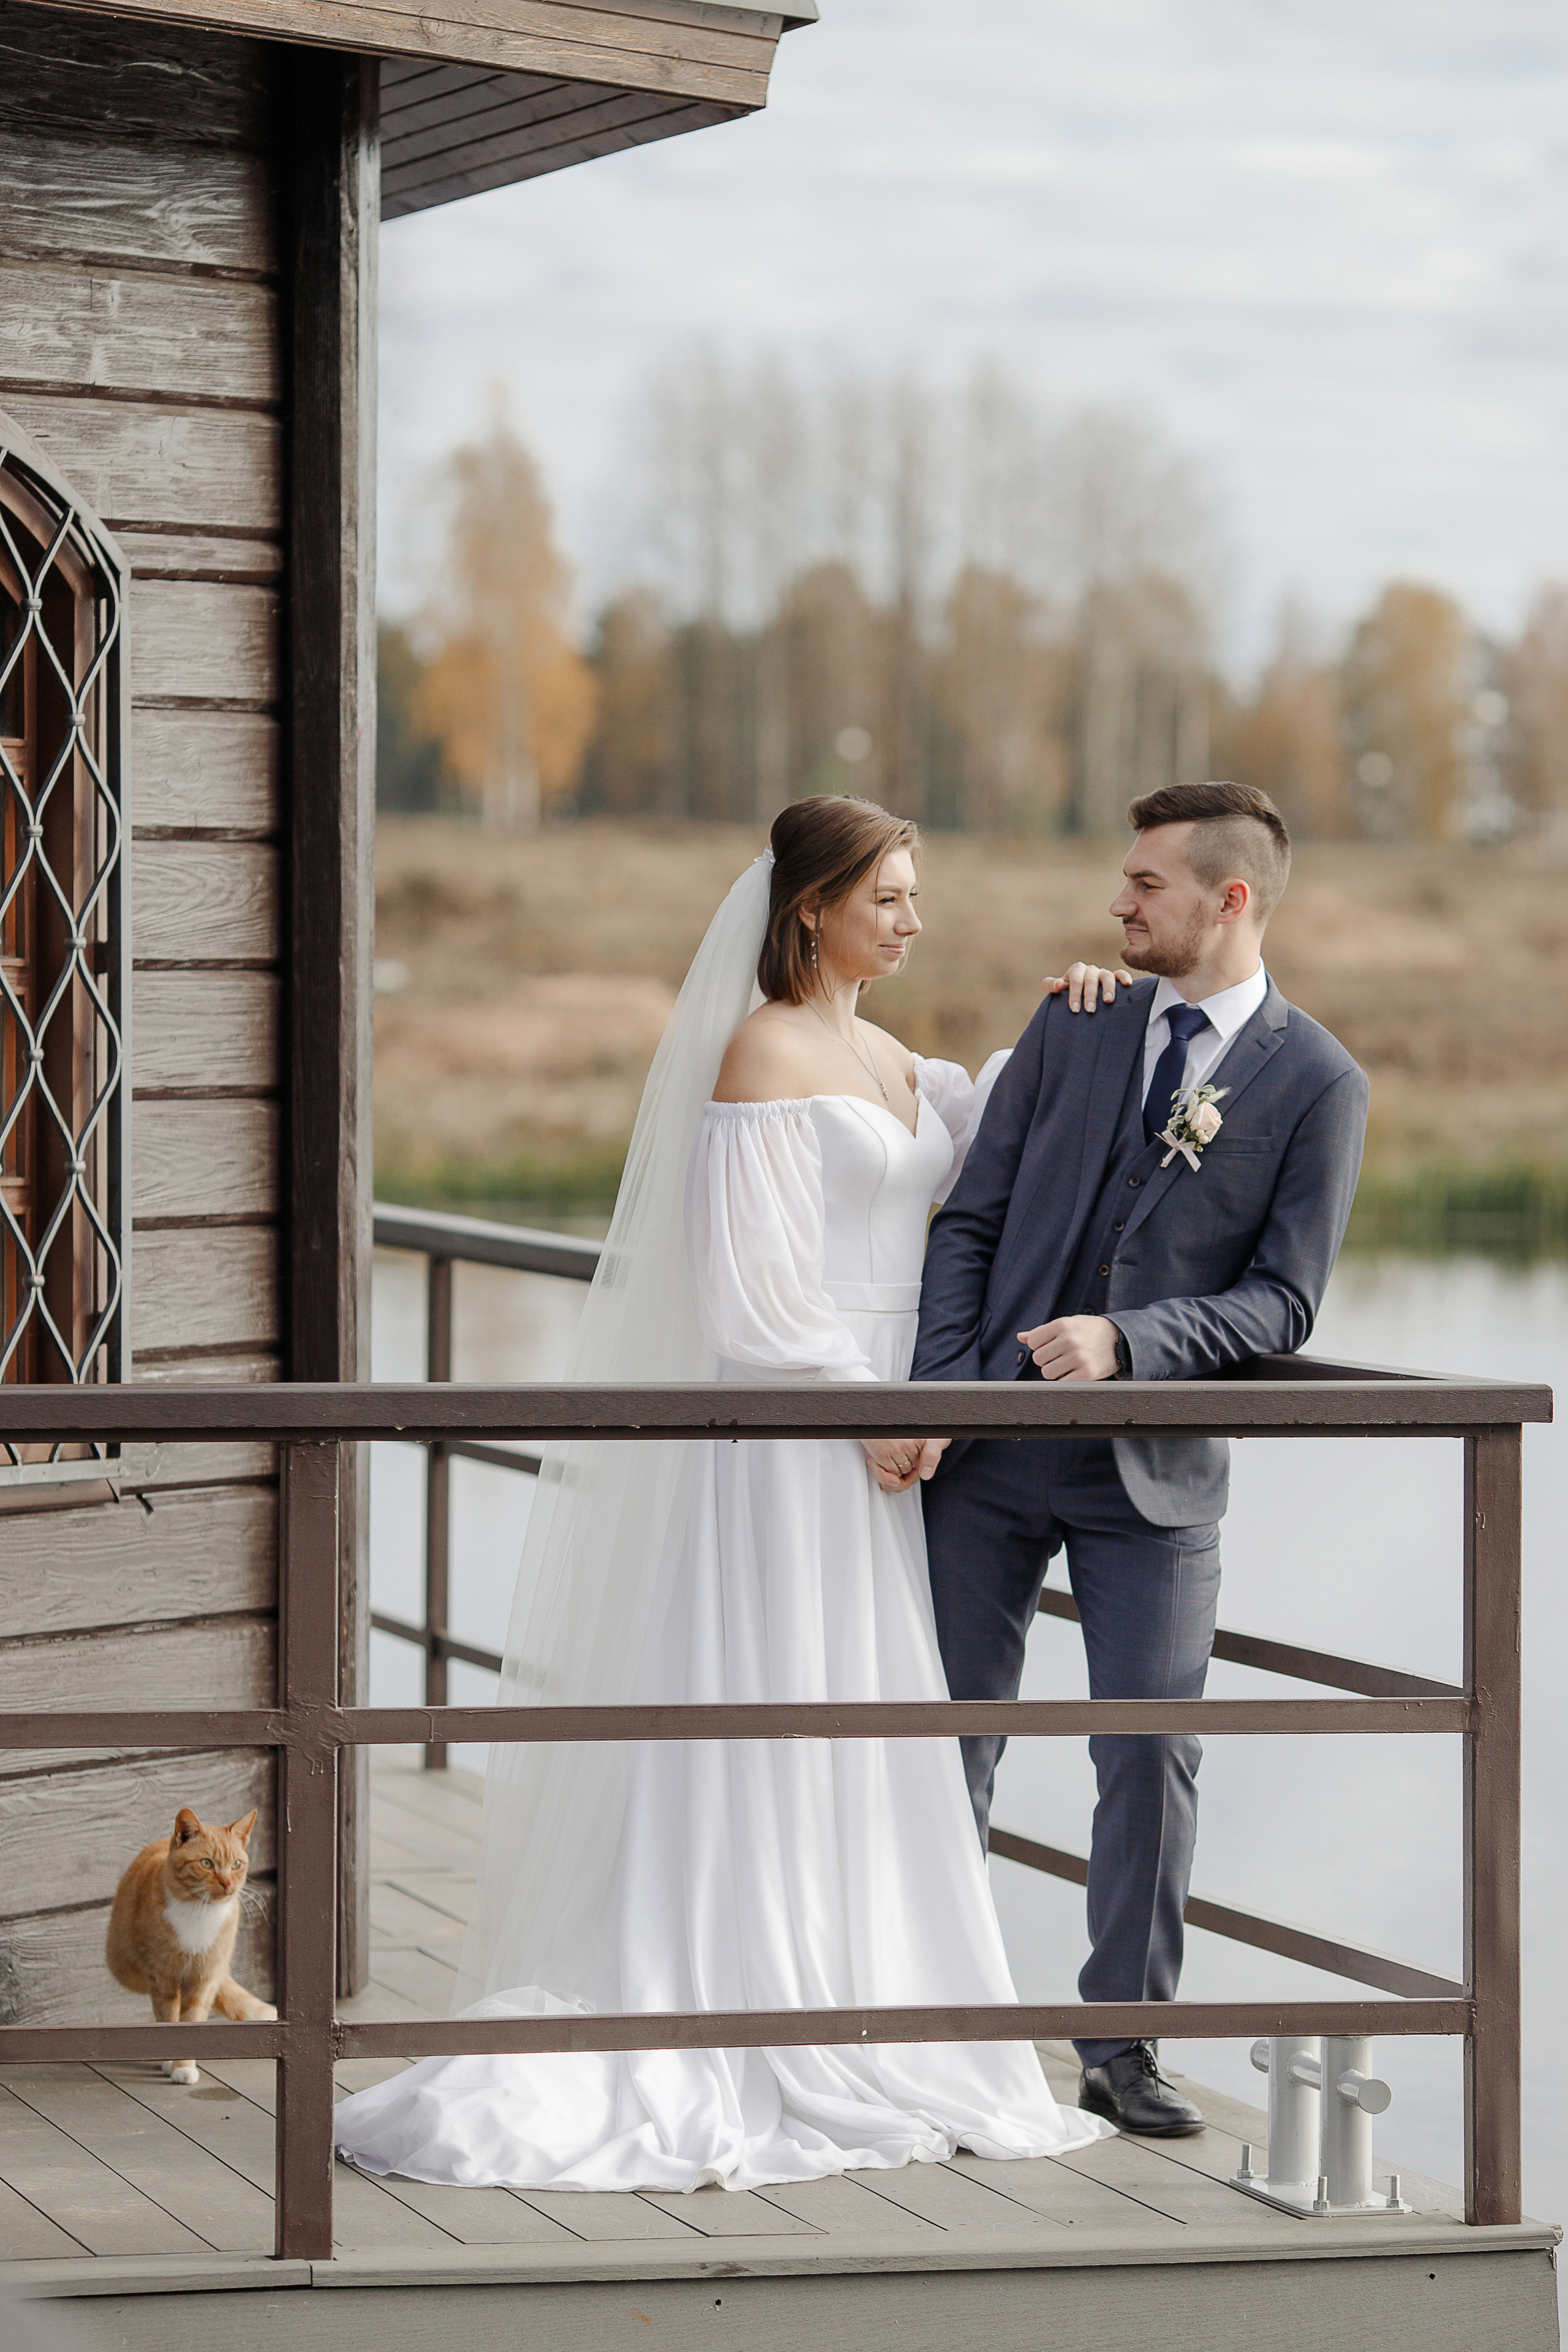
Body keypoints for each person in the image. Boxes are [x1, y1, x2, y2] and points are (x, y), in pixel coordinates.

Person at [333, 796, 1118, 2193]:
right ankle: (741, 1994)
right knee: (777, 1693)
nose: (910, 918)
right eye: (886, 895)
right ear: (809, 906)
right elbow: (749, 1292)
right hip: (798, 1436)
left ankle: (859, 1992)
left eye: (916, 894)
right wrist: (864, 1409)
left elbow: (990, 1121)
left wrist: (1074, 1011)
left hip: (886, 1437)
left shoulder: (883, 1050)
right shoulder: (759, 1049)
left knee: (865, 1718)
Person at [912, 780, 1370, 2139]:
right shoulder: (1072, 1021)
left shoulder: (1317, 1081)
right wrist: (943, 1397)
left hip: (1154, 1477)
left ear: (1228, 901)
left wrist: (1134, 1337)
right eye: (1120, 883)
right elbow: (968, 1225)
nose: (1117, 903)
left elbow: (1284, 1303)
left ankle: (1120, 2045)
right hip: (985, 1455)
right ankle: (921, 2018)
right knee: (943, 1740)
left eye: (1143, 886)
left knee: (1150, 1757)